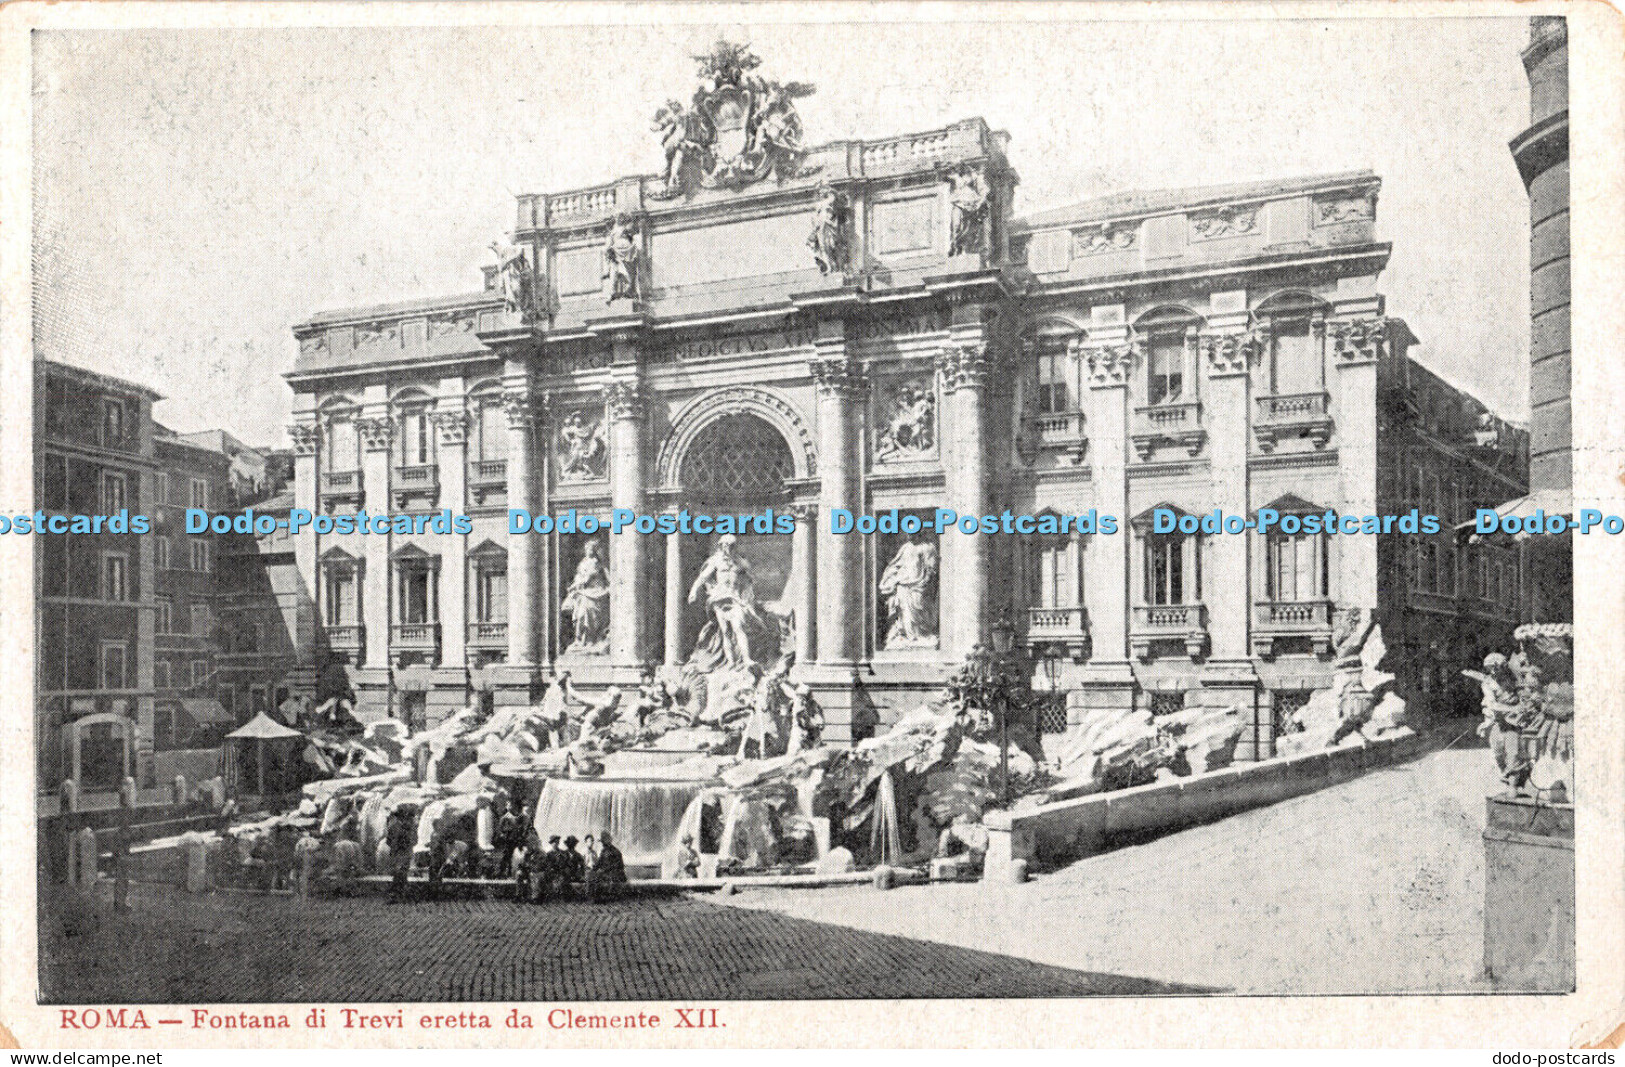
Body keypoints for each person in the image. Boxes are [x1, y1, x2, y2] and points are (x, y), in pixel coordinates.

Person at [384, 804, 418, 902]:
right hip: (403, 852)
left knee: (399, 873)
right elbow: (415, 841)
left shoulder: (394, 826)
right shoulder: (410, 827)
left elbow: (388, 841)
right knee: (401, 873)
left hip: (398, 852)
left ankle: (397, 894)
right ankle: (399, 894)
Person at [586, 832, 628, 902]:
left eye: (603, 842)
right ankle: (591, 896)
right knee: (591, 875)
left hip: (615, 873)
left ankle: (598, 897)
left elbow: (618, 865)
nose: (602, 844)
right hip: (607, 873)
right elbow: (599, 863)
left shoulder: (615, 851)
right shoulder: (603, 851)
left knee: (599, 876)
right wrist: (593, 869)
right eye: (602, 842)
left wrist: (604, 870)